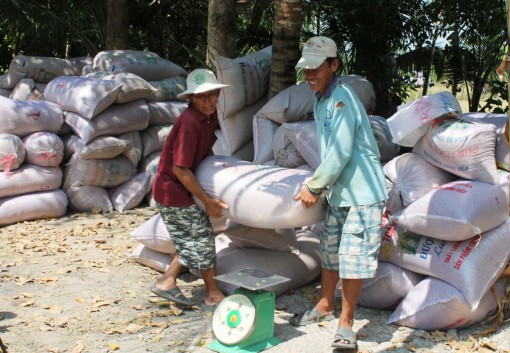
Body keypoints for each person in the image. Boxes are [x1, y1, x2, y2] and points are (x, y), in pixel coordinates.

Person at [290, 36, 387, 350]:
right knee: (330, 251)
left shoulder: (341, 99)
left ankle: (346, 323)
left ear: (334, 65)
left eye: (316, 68)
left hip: (362, 194)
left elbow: (342, 151)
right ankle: (324, 304)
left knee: (352, 259)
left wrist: (314, 187)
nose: (309, 75)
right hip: (340, 192)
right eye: (306, 69)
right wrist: (321, 185)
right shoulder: (323, 99)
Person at [150, 68, 229, 311]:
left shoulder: (209, 117)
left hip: (178, 189)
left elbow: (204, 152)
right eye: (201, 96)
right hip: (171, 191)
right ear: (191, 99)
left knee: (190, 240)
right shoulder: (190, 122)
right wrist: (207, 201)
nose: (207, 101)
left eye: (212, 94)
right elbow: (180, 169)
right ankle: (213, 293)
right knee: (202, 237)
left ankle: (166, 281)